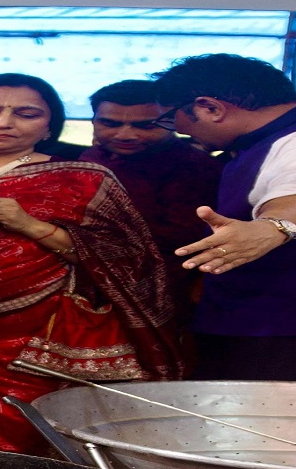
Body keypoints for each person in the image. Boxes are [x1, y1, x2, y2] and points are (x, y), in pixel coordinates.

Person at [0, 73, 185, 455]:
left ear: (48, 127)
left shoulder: (83, 178)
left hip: (26, 342)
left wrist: (28, 224)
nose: (3, 122)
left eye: (25, 114)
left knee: (27, 443)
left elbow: (127, 262)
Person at [151, 54, 296, 380]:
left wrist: (273, 228)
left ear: (210, 108)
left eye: (175, 121)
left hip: (284, 328)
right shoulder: (259, 142)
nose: (185, 135)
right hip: (251, 318)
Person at [79, 79, 222, 307]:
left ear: (172, 121)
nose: (125, 135)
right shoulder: (92, 157)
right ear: (94, 121)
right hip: (83, 281)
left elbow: (181, 240)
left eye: (145, 126)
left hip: (162, 290)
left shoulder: (195, 167)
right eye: (110, 123)